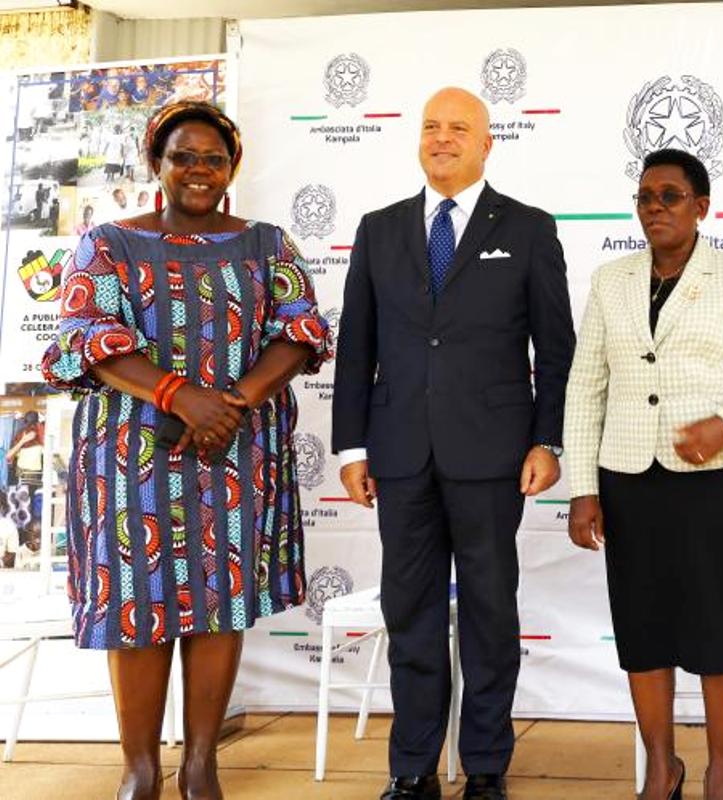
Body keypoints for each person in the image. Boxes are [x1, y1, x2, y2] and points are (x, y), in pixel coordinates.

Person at [40, 100, 331, 800]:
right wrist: (178, 395)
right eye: (183, 157)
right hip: (128, 455)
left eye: (214, 158)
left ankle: (202, 764)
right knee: (137, 601)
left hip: (235, 445)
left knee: (220, 597)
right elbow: (85, 337)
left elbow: (301, 330)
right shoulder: (106, 243)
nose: (199, 171)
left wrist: (231, 402)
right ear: (156, 164)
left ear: (233, 168)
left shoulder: (269, 244)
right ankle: (141, 767)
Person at [331, 87, 574, 800]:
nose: (443, 138)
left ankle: (487, 767)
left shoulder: (528, 229)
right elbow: (356, 350)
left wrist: (547, 440)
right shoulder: (379, 230)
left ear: (488, 142)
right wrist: (350, 448)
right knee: (410, 614)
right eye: (431, 126)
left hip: (495, 455)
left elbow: (555, 350)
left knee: (491, 612)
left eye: (459, 128)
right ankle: (411, 769)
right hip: (399, 453)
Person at [564, 148, 723, 800]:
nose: (654, 209)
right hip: (632, 481)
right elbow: (586, 387)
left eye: (669, 196)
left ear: (701, 206)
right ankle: (661, 766)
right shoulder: (611, 281)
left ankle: (722, 766)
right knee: (645, 628)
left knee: (722, 627)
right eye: (644, 197)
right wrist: (584, 488)